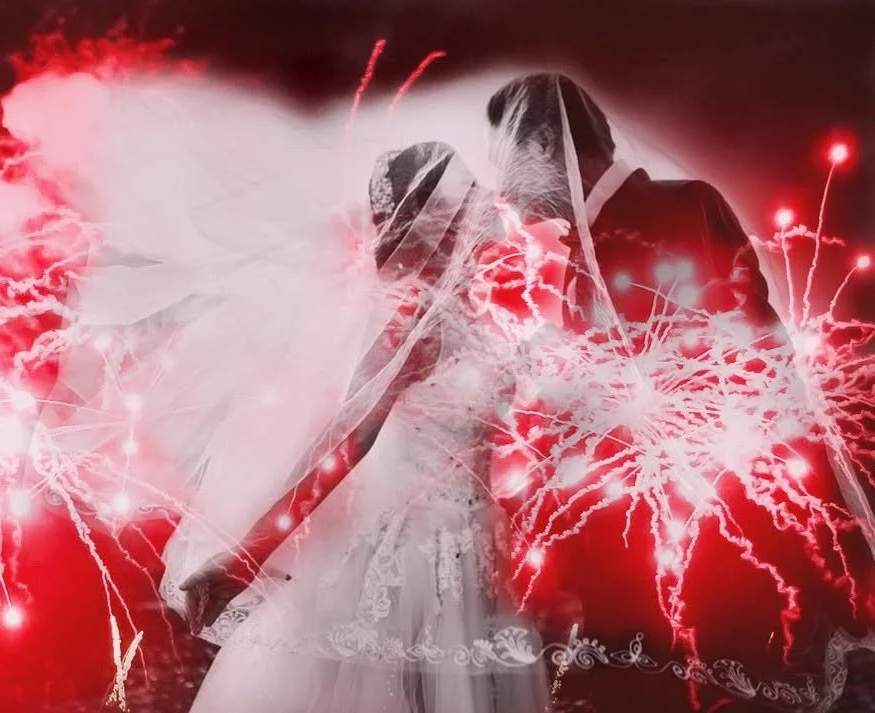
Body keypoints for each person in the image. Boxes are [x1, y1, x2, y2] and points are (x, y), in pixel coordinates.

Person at [485, 72, 875, 711]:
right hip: (647, 528)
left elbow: (747, 356)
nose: (506, 188)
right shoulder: (604, 239)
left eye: (508, 158)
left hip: (710, 520)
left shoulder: (680, 207)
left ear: (543, 150)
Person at [177, 142, 552, 713]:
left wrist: (249, 554)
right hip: (442, 554)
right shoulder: (453, 323)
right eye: (466, 206)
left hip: (440, 551)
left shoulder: (442, 324)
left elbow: (362, 441)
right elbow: (352, 443)